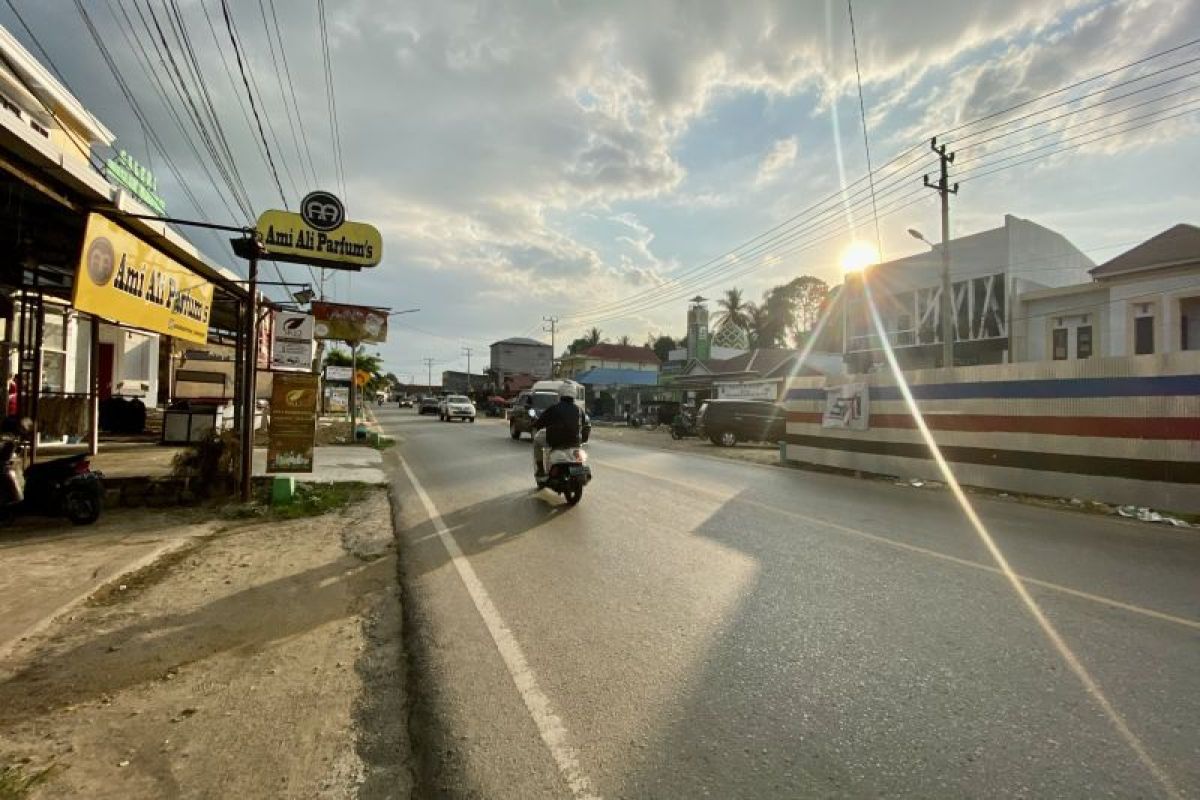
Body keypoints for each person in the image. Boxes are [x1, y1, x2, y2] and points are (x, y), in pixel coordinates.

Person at [532, 391, 590, 481]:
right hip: (574, 442)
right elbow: (584, 424)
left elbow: (540, 422)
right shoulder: (579, 410)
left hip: (556, 440)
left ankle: (540, 469)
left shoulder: (553, 408)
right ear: (573, 397)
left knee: (537, 441)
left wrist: (536, 424)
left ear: (561, 396)